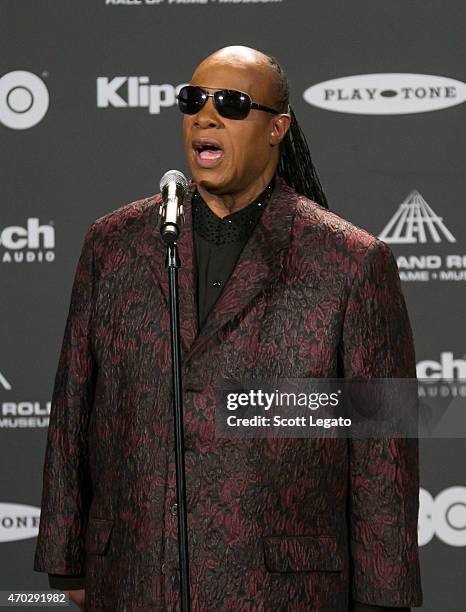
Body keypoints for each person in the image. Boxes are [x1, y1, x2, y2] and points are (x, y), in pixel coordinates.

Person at [34, 46, 422, 611]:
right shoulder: (113, 244)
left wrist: (383, 598)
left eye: (233, 104)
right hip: (135, 578)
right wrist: (65, 557)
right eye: (193, 100)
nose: (205, 116)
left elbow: (383, 453)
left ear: (277, 128)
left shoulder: (352, 262)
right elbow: (74, 407)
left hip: (281, 591)